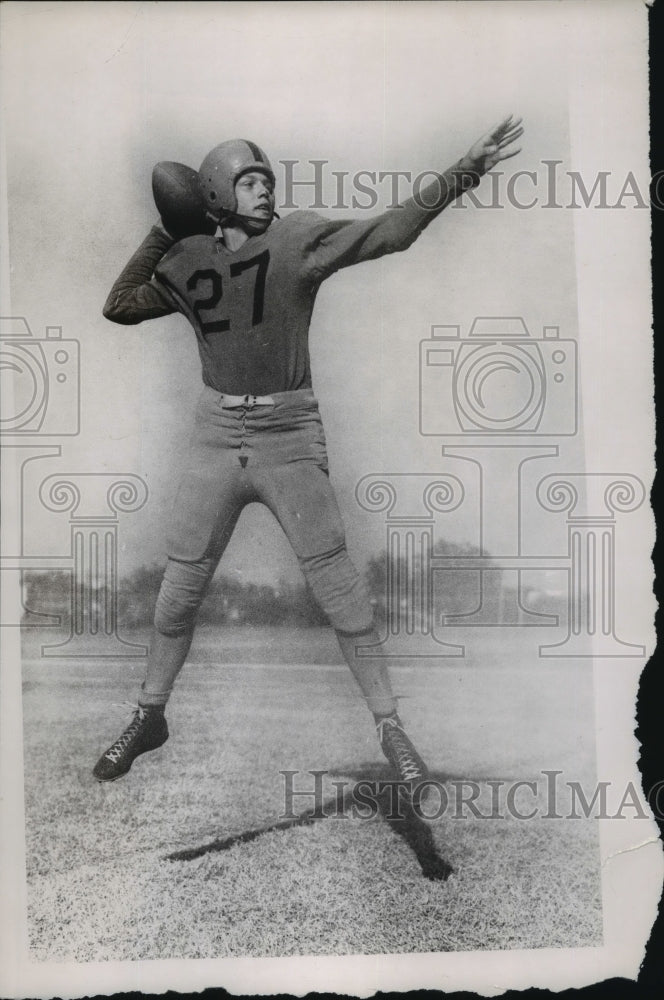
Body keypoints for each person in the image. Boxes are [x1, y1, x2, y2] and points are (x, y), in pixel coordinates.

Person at [93, 117, 523, 786]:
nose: (266, 189)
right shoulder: (185, 263)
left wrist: (465, 171)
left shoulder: (297, 239)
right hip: (215, 437)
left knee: (338, 585)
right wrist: (165, 230)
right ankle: (150, 714)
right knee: (179, 588)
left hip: (287, 434)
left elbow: (393, 230)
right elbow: (118, 304)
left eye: (268, 179)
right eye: (249, 180)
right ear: (212, 195)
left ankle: (391, 727)